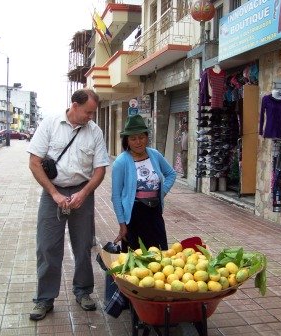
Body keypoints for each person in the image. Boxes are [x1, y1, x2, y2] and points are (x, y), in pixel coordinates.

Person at [27, 88, 110, 321]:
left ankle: (83, 292)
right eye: (87, 112)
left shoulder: (94, 131)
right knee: (47, 247)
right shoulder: (51, 124)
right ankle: (44, 299)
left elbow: (100, 169)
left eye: (93, 113)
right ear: (74, 105)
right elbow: (34, 162)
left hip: (82, 192)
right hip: (52, 193)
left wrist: (84, 193)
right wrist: (53, 193)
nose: (90, 117)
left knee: (83, 245)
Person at [111, 114, 176, 251]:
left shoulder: (155, 155)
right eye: (133, 138)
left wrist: (162, 192)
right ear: (127, 141)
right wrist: (122, 224)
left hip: (155, 213)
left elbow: (171, 173)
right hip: (134, 215)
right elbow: (116, 196)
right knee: (136, 257)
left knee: (159, 254)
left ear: (147, 137)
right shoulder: (121, 162)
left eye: (141, 137)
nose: (138, 142)